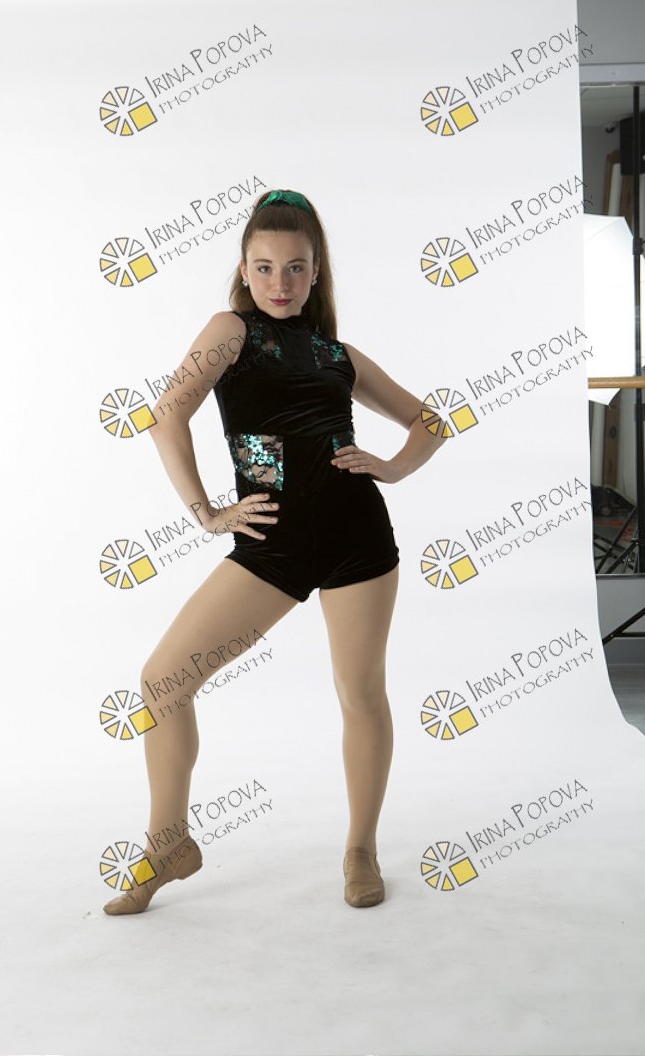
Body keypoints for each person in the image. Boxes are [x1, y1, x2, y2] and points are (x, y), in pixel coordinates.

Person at [104, 188, 446, 915]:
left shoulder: (336, 354)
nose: (280, 283)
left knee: (360, 693)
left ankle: (361, 849)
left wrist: (390, 467)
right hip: (271, 541)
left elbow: (429, 421)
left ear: (316, 272)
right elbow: (167, 417)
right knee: (164, 681)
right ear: (243, 268)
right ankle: (168, 842)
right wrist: (207, 512)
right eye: (264, 267)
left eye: (295, 268)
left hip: (357, 537)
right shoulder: (231, 332)